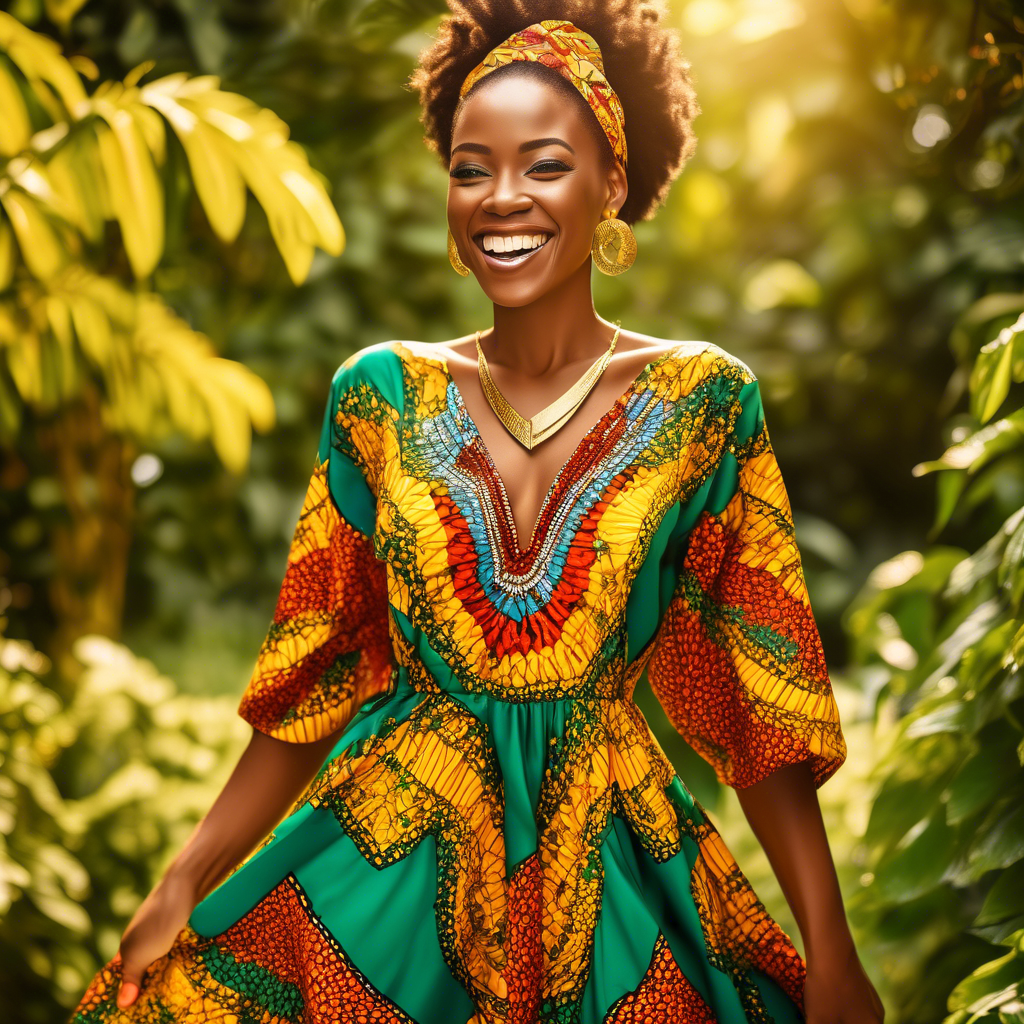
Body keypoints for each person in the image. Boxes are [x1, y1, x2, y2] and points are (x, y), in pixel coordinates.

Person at [71, 4, 885, 1023]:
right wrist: (184, 879)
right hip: (389, 867)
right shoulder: (378, 397)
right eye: (470, 167)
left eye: (543, 165)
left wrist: (832, 950)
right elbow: (317, 678)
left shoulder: (704, 404)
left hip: (616, 885)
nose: (502, 198)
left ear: (613, 185)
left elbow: (755, 701)